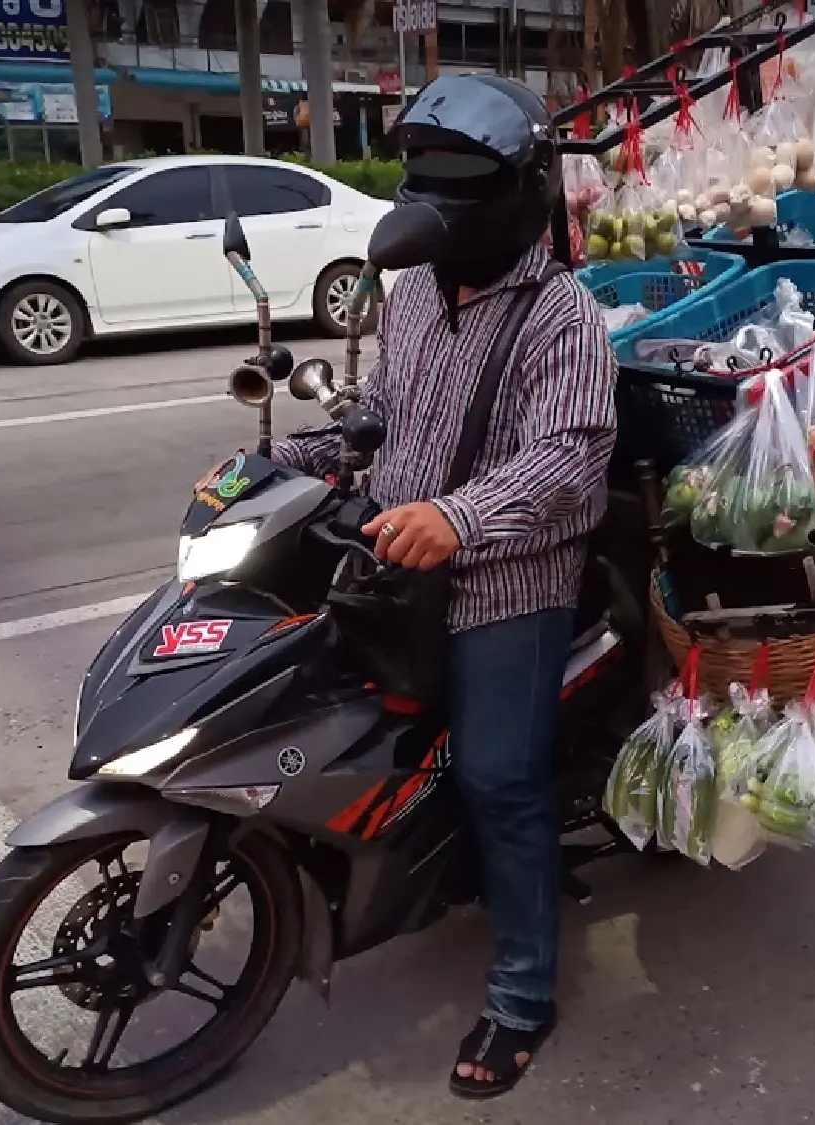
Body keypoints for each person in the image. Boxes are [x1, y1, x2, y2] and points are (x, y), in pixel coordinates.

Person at [268, 74, 618, 1099]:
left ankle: (521, 994)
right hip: (392, 559)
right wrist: (292, 459)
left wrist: (458, 517)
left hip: (510, 585)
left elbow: (568, 459)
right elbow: (379, 408)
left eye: (458, 187)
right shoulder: (413, 288)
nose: (436, 206)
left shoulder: (563, 316)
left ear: (519, 195)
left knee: (497, 780)